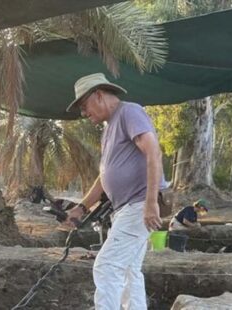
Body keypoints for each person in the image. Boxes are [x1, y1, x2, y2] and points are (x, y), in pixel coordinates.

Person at [61, 73, 163, 309]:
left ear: (99, 95)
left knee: (106, 266)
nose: (84, 113)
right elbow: (105, 175)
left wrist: (150, 202)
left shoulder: (129, 112)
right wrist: (81, 208)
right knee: (128, 270)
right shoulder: (109, 128)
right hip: (128, 207)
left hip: (138, 205)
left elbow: (153, 152)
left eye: (84, 106)